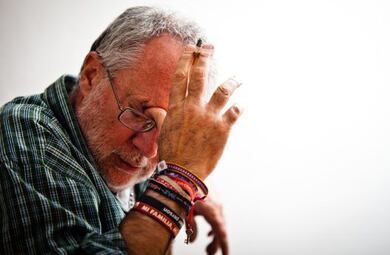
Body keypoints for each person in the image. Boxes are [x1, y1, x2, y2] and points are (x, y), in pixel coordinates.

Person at [0, 6, 242, 255]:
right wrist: (178, 184)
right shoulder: (25, 134)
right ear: (92, 75)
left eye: (168, 130)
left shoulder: (123, 147)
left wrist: (190, 183)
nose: (149, 150)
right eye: (138, 114)